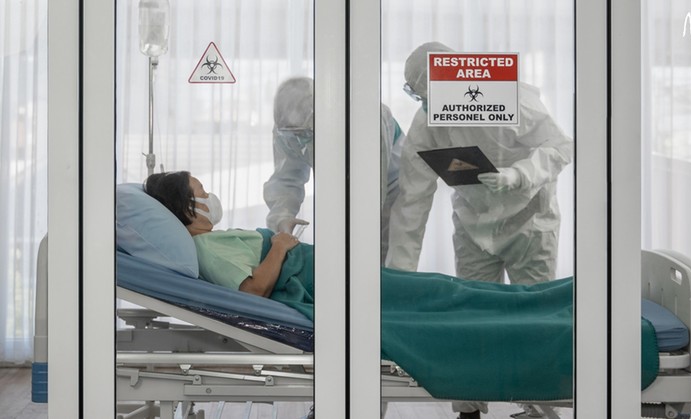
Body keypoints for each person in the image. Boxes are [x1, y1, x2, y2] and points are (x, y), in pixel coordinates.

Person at [142, 171, 658, 419]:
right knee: (450, 303)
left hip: (335, 277)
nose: (209, 195)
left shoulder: (211, 241)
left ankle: (570, 303)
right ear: (187, 207)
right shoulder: (205, 248)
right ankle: (575, 324)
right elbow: (255, 290)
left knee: (452, 292)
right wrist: (278, 245)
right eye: (201, 190)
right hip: (323, 287)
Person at [385, 42, 574, 419]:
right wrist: (397, 282)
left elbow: (559, 147)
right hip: (474, 227)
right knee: (470, 322)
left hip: (530, 224)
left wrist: (519, 175)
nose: (425, 103)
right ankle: (468, 410)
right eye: (419, 96)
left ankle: (540, 408)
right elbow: (411, 205)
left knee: (534, 321)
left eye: (427, 94)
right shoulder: (426, 125)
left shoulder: (512, 98)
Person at [264, 77, 406, 263]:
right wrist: (282, 218)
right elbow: (286, 178)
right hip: (340, 185)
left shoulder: (367, 118)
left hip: (392, 185)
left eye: (305, 133)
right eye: (294, 133)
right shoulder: (285, 127)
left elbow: (372, 187)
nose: (299, 139)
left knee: (382, 253)